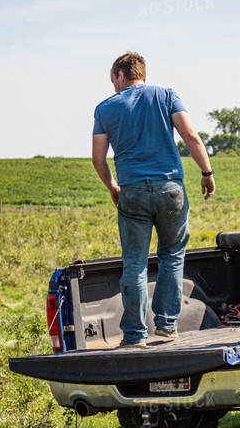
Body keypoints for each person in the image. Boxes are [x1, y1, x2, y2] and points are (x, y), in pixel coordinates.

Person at [91, 52, 215, 348]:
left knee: (134, 265)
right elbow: (191, 136)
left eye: (113, 81)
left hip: (131, 191)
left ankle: (134, 336)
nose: (113, 87)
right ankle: (167, 326)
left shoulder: (105, 108)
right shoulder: (167, 96)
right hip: (170, 189)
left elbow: (98, 158)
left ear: (120, 75)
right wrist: (207, 172)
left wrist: (112, 187)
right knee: (172, 256)